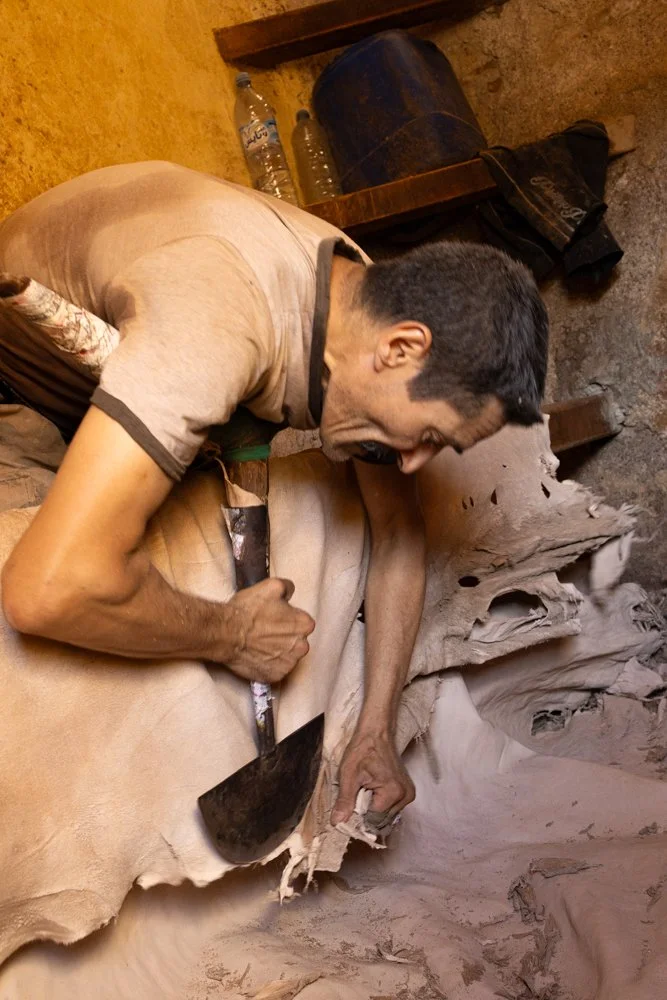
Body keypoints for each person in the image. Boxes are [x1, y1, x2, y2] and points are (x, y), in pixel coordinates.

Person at [0, 161, 548, 829]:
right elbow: (48, 589)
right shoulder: (220, 319)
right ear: (403, 348)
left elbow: (397, 531)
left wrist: (375, 725)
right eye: (428, 434)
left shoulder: (361, 301)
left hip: (108, 383)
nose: (413, 463)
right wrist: (229, 634)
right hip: (17, 407)